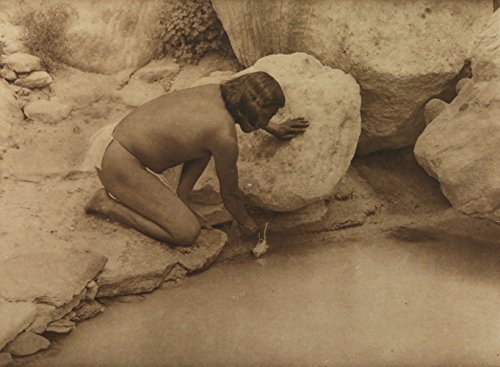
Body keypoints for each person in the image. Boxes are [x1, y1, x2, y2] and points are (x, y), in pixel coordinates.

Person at [85, 71, 308, 246]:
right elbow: (230, 194)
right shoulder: (223, 135)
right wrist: (247, 224)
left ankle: (180, 199)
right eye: (267, 116)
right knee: (186, 232)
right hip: (118, 163)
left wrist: (274, 127)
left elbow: (245, 108)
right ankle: (105, 204)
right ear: (254, 109)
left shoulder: (216, 91)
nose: (267, 121)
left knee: (204, 146)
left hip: (112, 139)